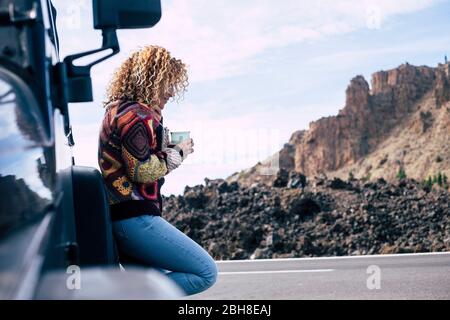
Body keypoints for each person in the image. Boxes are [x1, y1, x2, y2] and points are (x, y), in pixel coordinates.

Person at [98, 45, 217, 296]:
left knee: (152, 286)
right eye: (168, 83)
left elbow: (136, 157)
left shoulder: (119, 110)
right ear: (150, 79)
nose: (172, 93)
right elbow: (140, 170)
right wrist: (178, 154)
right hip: (135, 219)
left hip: (121, 218)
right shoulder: (137, 116)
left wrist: (164, 144)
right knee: (205, 272)